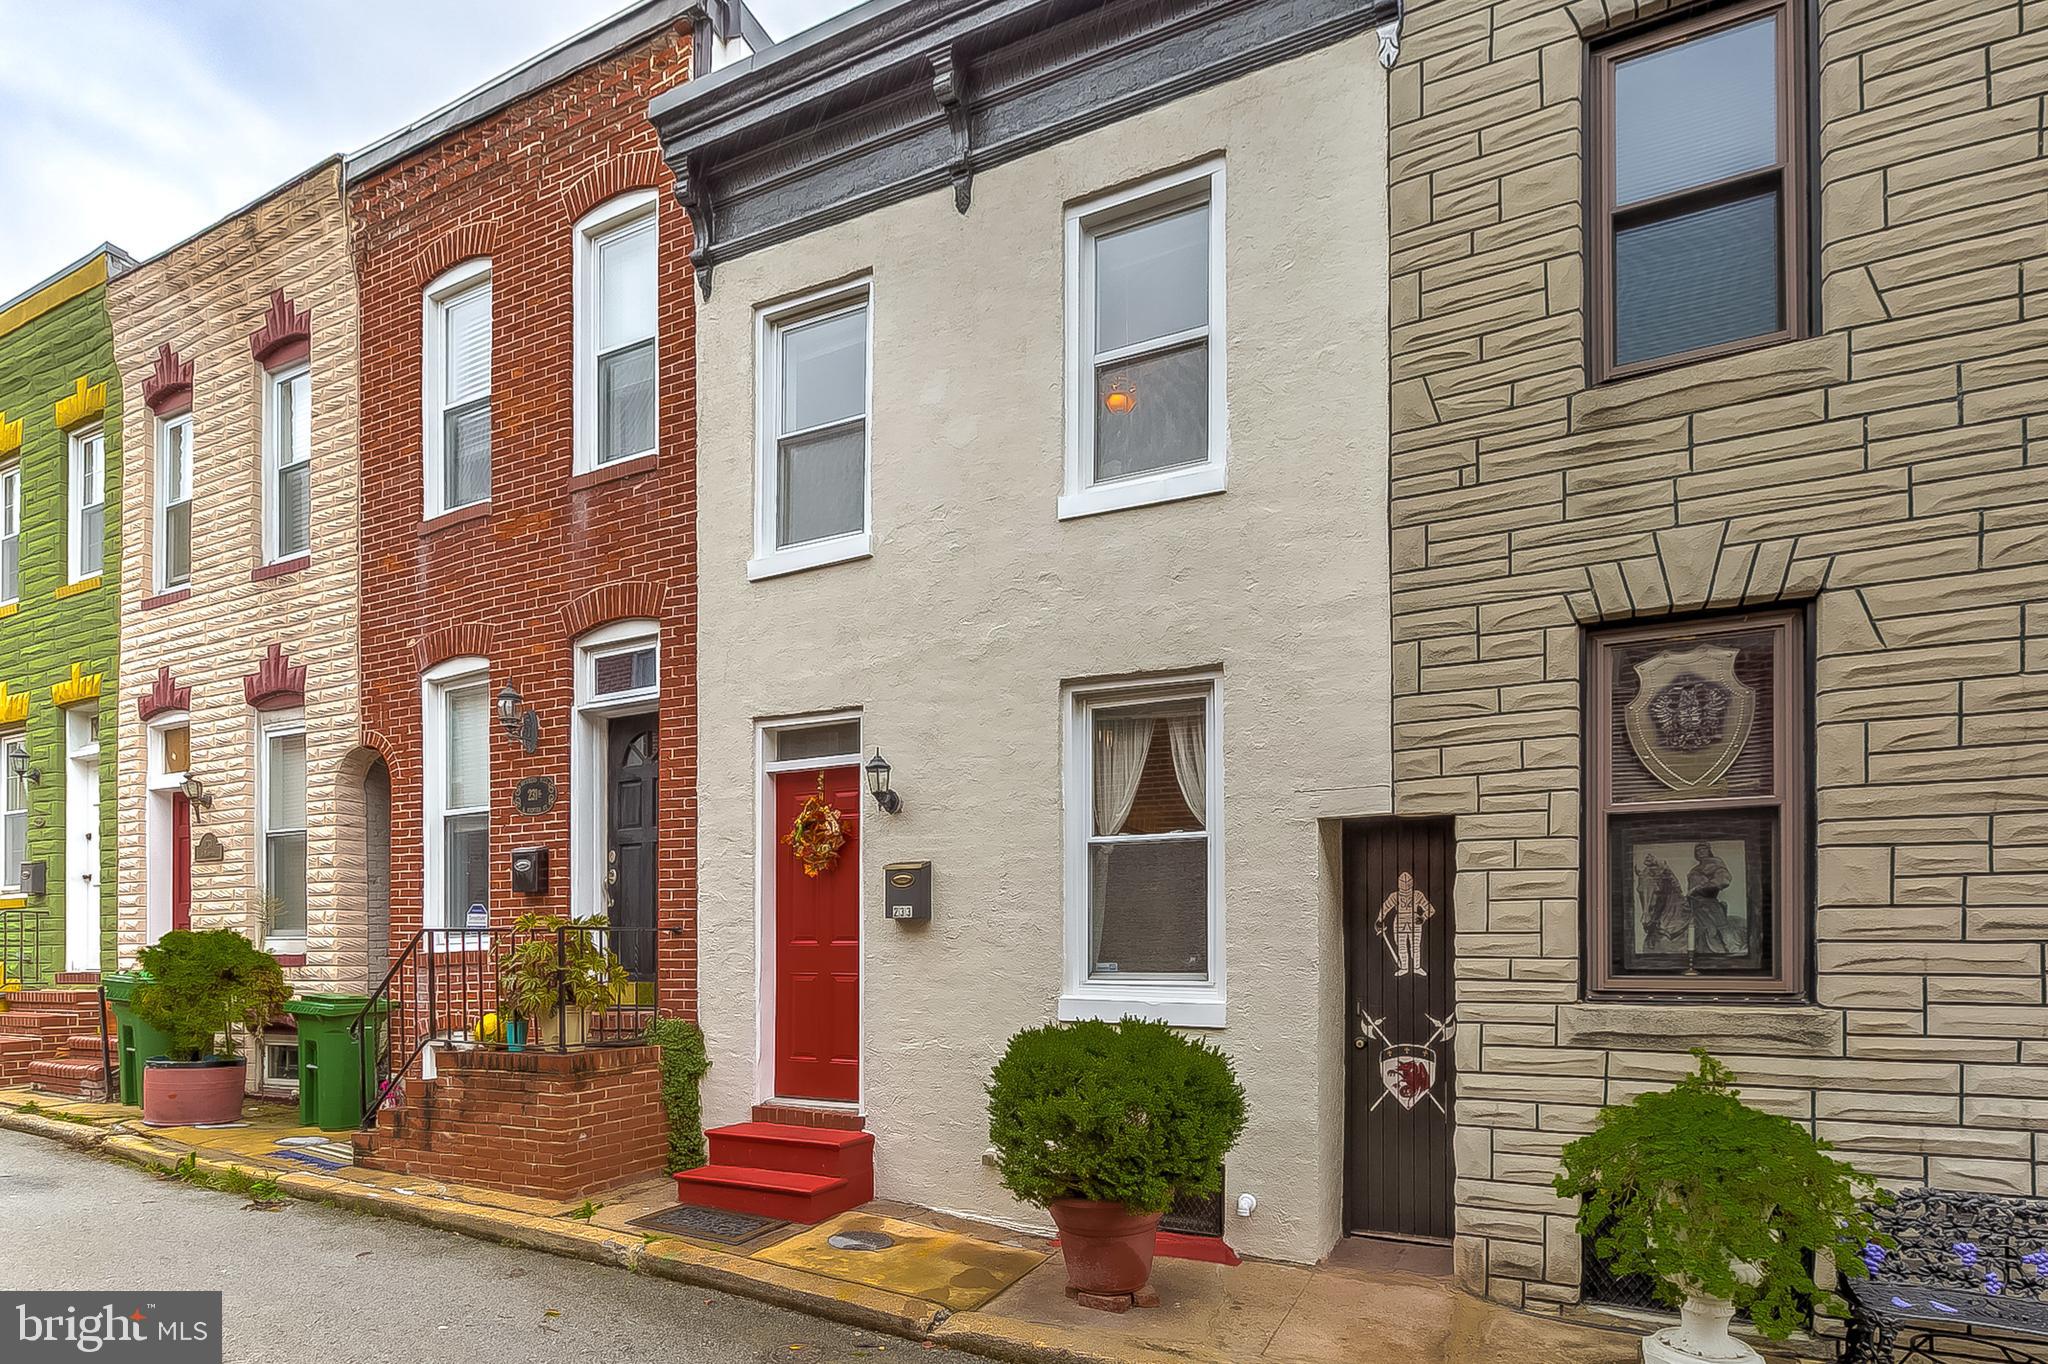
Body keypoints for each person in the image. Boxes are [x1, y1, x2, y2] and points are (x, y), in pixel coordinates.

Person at [1377, 871, 1437, 977]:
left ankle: (1416, 967)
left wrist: (1422, 917)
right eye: (1403, 884)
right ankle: (1404, 967)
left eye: (1407, 884)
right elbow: (1385, 907)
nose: (1405, 887)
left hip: (1415, 922)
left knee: (1416, 946)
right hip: (1400, 922)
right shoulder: (1395, 896)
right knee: (1401, 946)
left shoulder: (1417, 895)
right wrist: (1380, 919)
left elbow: (1430, 909)